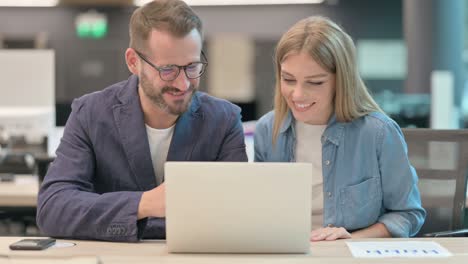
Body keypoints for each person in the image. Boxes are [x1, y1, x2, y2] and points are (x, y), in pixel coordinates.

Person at [37, 0, 248, 242]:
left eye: (192, 67)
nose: (183, 83)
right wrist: (145, 203)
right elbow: (53, 208)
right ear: (133, 62)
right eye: (168, 70)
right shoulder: (90, 113)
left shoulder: (224, 120)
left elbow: (236, 213)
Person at [254, 16, 425, 241]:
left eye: (315, 82)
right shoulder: (268, 130)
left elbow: (408, 214)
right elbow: (258, 213)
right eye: (288, 79)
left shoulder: (378, 133)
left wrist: (353, 239)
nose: (297, 95)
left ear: (341, 80)